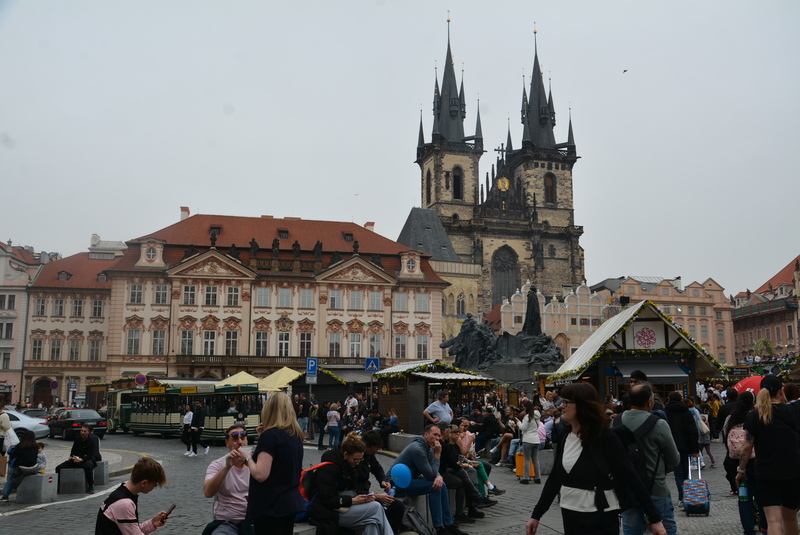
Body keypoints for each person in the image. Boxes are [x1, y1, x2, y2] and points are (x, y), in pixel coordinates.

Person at [526, 382, 667, 535]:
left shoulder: (605, 437)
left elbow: (630, 476)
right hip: (570, 512)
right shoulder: (565, 436)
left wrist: (654, 518)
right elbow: (555, 478)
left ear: (583, 405)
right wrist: (536, 515)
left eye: (567, 402)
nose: (561, 406)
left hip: (600, 516)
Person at [736, 375, 800, 535]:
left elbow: (747, 447)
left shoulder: (754, 415)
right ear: (781, 391)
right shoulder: (794, 411)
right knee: (791, 518)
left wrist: (741, 471)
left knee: (773, 520)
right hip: (793, 471)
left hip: (766, 473)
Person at [619, 382, 680, 535]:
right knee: (666, 530)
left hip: (628, 490)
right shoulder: (658, 424)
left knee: (631, 531)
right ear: (650, 402)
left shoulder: (616, 422)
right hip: (656, 488)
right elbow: (674, 460)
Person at [389, 424, 469, 535]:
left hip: (410, 481)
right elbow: (430, 476)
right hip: (397, 485)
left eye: (439, 435)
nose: (437, 438)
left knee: (442, 484)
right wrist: (438, 454)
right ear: (426, 435)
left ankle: (448, 524)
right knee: (434, 487)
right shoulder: (418, 449)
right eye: (434, 435)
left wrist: (439, 476)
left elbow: (433, 470)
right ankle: (439, 528)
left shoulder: (429, 447)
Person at [310, 432, 393, 535]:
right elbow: (327, 499)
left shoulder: (351, 464)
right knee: (376, 508)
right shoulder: (330, 467)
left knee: (372, 523)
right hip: (328, 512)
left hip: (343, 507)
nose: (358, 463)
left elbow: (355, 488)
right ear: (345, 454)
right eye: (356, 460)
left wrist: (366, 497)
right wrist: (354, 500)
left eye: (360, 460)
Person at [245, 392, 305, 535]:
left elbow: (260, 474)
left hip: (271, 505)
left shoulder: (271, 435)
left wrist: (248, 458)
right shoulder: (295, 435)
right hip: (289, 502)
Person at [723, 391, 766, 535]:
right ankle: (764, 526)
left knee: (744, 497)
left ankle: (748, 529)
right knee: (760, 497)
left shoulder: (730, 419)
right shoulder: (755, 417)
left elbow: (725, 439)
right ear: (753, 403)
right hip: (755, 464)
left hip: (735, 464)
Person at [95, 457, 169, 534]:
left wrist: (152, 523)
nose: (155, 487)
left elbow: (131, 529)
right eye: (155, 484)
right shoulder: (124, 503)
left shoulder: (120, 494)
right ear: (144, 483)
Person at [202, 424, 253, 535]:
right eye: (235, 438)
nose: (240, 442)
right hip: (226, 522)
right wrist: (227, 467)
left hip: (253, 521)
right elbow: (208, 492)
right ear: (227, 443)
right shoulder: (217, 464)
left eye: (243, 438)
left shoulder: (255, 463)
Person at [360, 430, 406, 534]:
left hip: (366, 495)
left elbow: (377, 468)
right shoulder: (357, 458)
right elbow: (357, 488)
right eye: (372, 451)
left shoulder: (369, 455)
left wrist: (383, 481)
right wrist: (376, 496)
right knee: (393, 507)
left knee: (397, 506)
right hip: (359, 497)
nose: (374, 454)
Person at [663, 391, 699, 502]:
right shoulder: (686, 411)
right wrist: (695, 449)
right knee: (686, 472)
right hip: (685, 445)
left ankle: (682, 497)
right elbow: (692, 431)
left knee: (678, 473)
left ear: (669, 399)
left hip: (671, 445)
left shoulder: (666, 412)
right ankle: (686, 496)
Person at [56, 424, 102, 493]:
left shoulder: (91, 442)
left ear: (88, 432)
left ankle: (91, 486)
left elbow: (90, 455)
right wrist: (72, 457)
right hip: (76, 459)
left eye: (84, 431)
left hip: (86, 459)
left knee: (88, 467)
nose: (82, 433)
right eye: (82, 431)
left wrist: (82, 459)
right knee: (58, 468)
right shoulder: (77, 440)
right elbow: (73, 451)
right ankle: (59, 486)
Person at [1, 430, 39, 500]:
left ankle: (5, 495)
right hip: (33, 468)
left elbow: (13, 455)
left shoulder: (20, 446)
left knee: (11, 477)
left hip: (22, 468)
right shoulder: (36, 446)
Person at [518, 400, 542, 484]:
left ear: (526, 408)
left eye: (524, 407)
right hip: (536, 439)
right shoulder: (537, 416)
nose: (523, 409)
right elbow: (538, 426)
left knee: (527, 459)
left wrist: (518, 422)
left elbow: (523, 428)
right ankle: (538, 477)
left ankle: (526, 478)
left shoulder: (527, 417)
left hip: (528, 439)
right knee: (535, 459)